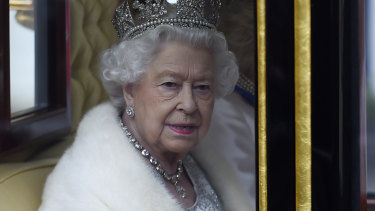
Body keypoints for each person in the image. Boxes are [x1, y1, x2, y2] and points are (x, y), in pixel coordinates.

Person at [39, 0, 251, 210]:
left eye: (202, 87)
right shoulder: (85, 186)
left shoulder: (203, 161)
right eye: (170, 84)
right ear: (130, 90)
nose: (188, 104)